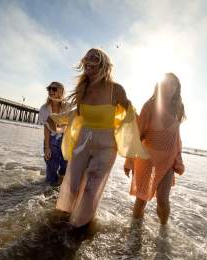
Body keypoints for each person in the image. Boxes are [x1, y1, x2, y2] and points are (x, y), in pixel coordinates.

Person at [47, 48, 149, 227]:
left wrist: (142, 135)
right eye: (86, 58)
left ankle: (80, 224)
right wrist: (57, 118)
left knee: (91, 189)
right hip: (83, 140)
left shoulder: (115, 89)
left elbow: (131, 113)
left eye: (94, 58)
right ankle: (63, 218)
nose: (88, 61)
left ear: (103, 64)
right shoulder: (82, 89)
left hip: (107, 146)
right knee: (72, 184)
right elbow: (76, 114)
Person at [124, 73, 185, 225]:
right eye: (166, 83)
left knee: (163, 200)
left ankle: (164, 232)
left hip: (168, 159)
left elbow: (176, 136)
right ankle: (135, 232)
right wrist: (129, 160)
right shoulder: (150, 105)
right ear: (159, 86)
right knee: (141, 199)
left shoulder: (179, 108)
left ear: (177, 88)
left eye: (173, 84)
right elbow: (138, 133)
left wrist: (178, 159)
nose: (169, 87)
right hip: (147, 158)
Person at [37, 82, 68, 186]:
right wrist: (47, 148)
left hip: (65, 139)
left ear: (61, 92)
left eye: (54, 89)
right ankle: (47, 194)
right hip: (51, 138)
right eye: (49, 89)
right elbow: (46, 128)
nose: (50, 91)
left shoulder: (67, 107)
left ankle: (60, 185)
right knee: (51, 167)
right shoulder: (44, 108)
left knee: (65, 167)